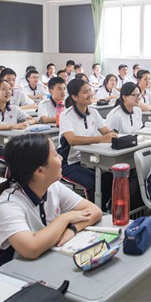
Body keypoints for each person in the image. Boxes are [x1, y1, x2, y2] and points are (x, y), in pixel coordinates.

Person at [0, 134, 102, 271]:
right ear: (40, 170)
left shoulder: (53, 187)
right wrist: (65, 218)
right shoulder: (8, 204)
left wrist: (72, 229)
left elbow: (94, 211)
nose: (61, 158)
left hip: (31, 269)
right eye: (55, 155)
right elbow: (31, 248)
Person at [57, 79, 117, 211]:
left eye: (90, 90)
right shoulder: (66, 115)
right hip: (70, 163)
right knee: (92, 183)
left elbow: (106, 131)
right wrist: (102, 139)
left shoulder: (93, 112)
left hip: (90, 160)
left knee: (110, 176)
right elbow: (72, 140)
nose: (90, 94)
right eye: (85, 92)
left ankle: (103, 209)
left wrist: (112, 134)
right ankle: (92, 212)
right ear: (74, 97)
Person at [0, 79, 36, 163]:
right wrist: (13, 126)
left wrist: (27, 122)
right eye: (3, 89)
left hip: (10, 144)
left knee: (29, 154)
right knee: (16, 159)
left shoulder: (13, 108)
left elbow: (33, 119)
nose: (8, 92)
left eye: (9, 89)